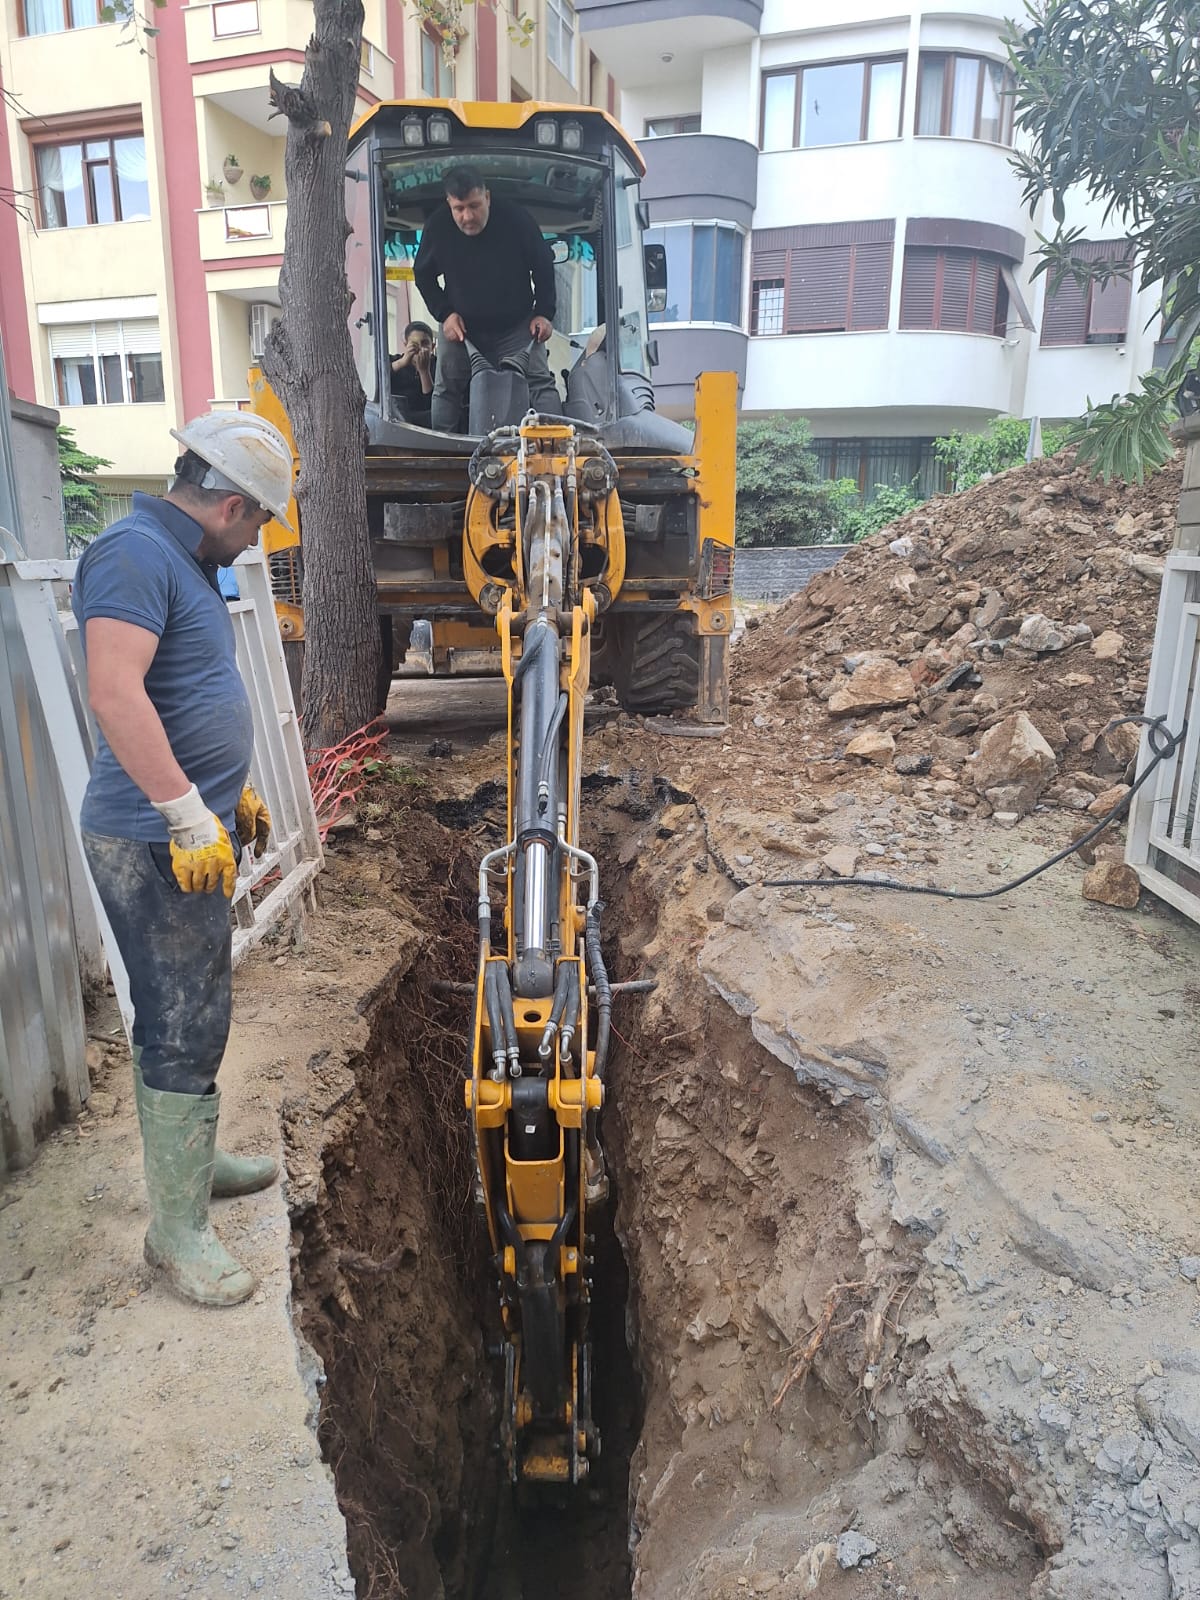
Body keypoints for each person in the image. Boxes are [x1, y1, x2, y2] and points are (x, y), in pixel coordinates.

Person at [73, 411, 295, 1309]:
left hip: (181, 832)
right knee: (181, 1021)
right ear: (232, 506)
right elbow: (114, 692)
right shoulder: (132, 555)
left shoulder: (185, 563)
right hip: (150, 839)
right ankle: (175, 1235)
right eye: (261, 523)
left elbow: (180, 691)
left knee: (189, 1010)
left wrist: (225, 790)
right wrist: (182, 811)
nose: (260, 539)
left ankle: (191, 1170)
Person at [414, 164, 560, 432]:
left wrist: (544, 313)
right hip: (462, 329)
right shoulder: (437, 227)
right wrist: (444, 314)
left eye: (474, 205)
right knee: (446, 388)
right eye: (459, 209)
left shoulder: (517, 220)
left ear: (487, 198)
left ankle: (556, 446)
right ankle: (441, 458)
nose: (468, 216)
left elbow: (542, 265)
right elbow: (422, 275)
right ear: (449, 204)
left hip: (517, 325)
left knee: (540, 382)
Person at [389, 319, 436, 426]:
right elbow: (376, 380)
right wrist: (401, 363)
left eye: (425, 344)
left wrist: (424, 372)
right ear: (405, 344)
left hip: (428, 423)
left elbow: (433, 404)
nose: (420, 349)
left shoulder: (438, 365)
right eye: (414, 344)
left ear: (432, 347)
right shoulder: (394, 361)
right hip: (398, 421)